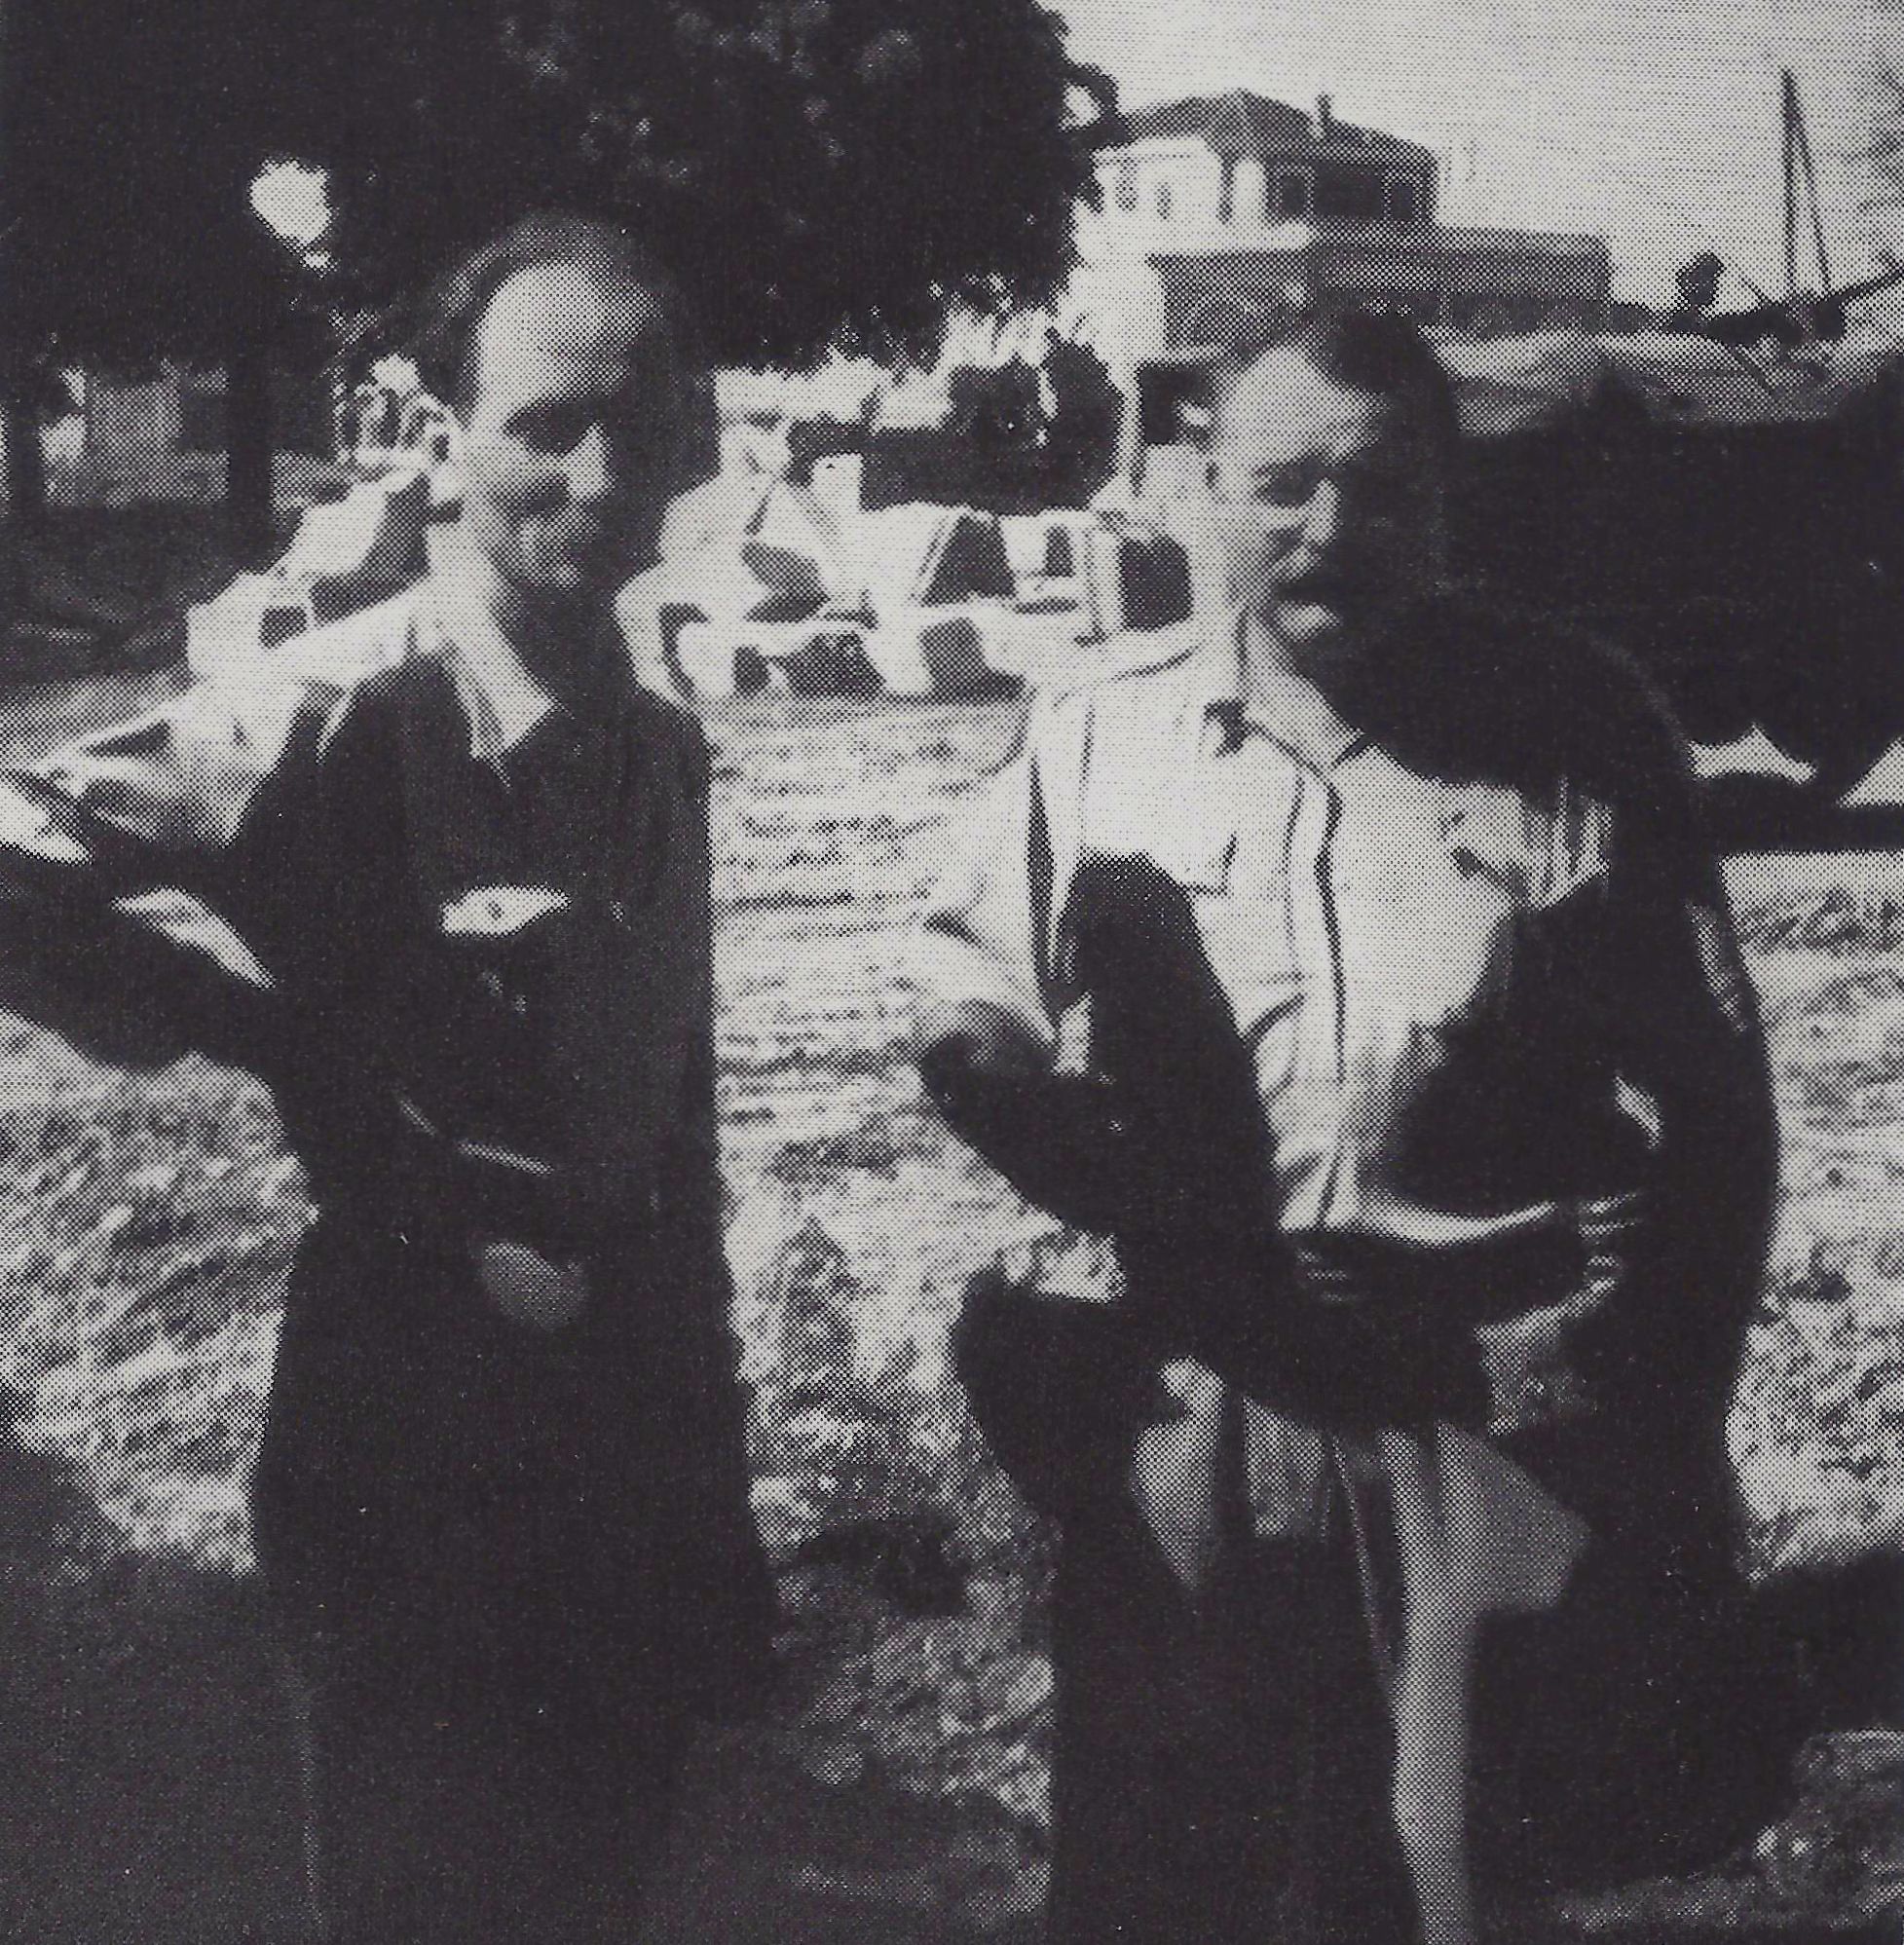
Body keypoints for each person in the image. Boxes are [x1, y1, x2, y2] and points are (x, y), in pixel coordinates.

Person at [912, 310, 1781, 1944]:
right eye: (1286, 483)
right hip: (1194, 1418)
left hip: (1476, 1414)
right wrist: (1054, 1125)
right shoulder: (1100, 733)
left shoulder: (1580, 723)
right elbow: (970, 1014)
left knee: (1457, 1877)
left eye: (1383, 490)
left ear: (1447, 505)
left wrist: (1675, 1417)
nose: (1332, 531)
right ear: (1205, 487)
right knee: (1176, 1882)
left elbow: (1719, 1106)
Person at [0, 211, 771, 1942]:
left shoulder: (657, 748)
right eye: (545, 423)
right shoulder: (326, 716)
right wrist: (222, 1016)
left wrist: (708, 1466)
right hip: (416, 1392)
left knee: (603, 1877)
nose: (600, 471)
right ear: (441, 444)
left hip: (634, 1379)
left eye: (643, 427)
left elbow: (682, 1114)